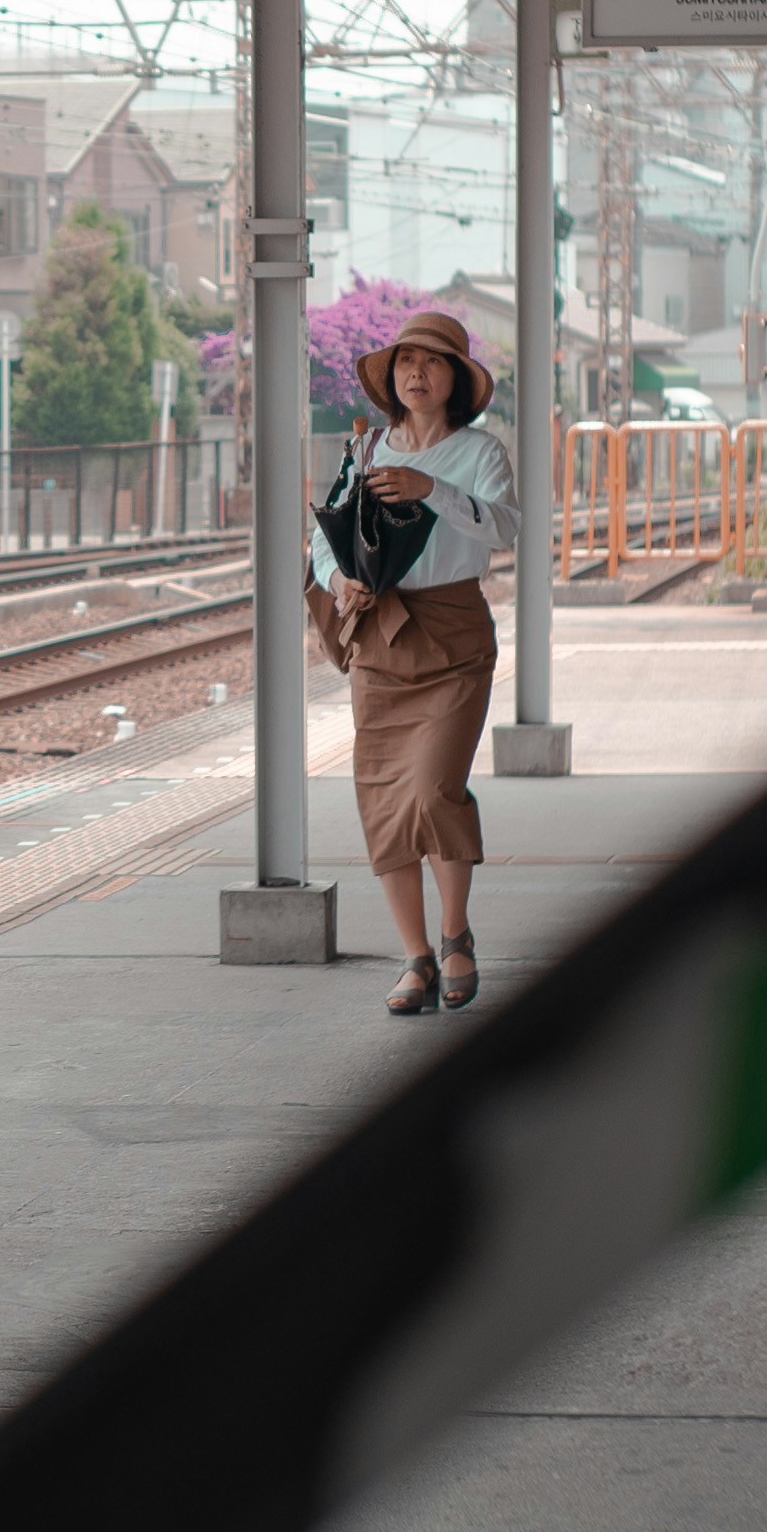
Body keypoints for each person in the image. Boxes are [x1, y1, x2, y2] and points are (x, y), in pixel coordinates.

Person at [305, 309, 517, 1015]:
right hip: (382, 641)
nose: (415, 373)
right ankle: (416, 958)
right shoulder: (366, 452)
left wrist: (435, 492)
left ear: (455, 378)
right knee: (386, 804)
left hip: (455, 639)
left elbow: (508, 528)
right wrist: (339, 581)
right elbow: (323, 538)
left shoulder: (480, 454)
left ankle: (457, 936)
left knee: (433, 792)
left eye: (430, 362)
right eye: (404, 363)